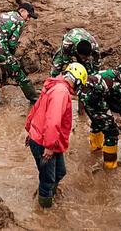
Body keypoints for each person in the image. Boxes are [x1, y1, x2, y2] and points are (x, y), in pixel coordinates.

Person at [25, 61, 86, 208]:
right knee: (47, 180)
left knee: (60, 172)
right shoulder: (61, 92)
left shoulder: (54, 86)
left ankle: (48, 192)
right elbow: (53, 121)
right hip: (45, 141)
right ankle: (44, 212)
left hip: (44, 138)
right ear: (76, 81)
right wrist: (49, 146)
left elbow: (38, 108)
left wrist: (30, 129)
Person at [0, 2, 39, 106]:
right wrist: (11, 59)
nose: (28, 19)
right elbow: (12, 43)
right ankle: (34, 99)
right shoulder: (19, 21)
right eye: (28, 15)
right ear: (22, 11)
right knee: (19, 74)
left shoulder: (4, 15)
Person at [82, 64, 121, 169]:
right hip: (94, 99)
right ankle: (110, 166)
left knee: (97, 122)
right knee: (112, 132)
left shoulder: (109, 73)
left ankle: (95, 149)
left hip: (84, 94)